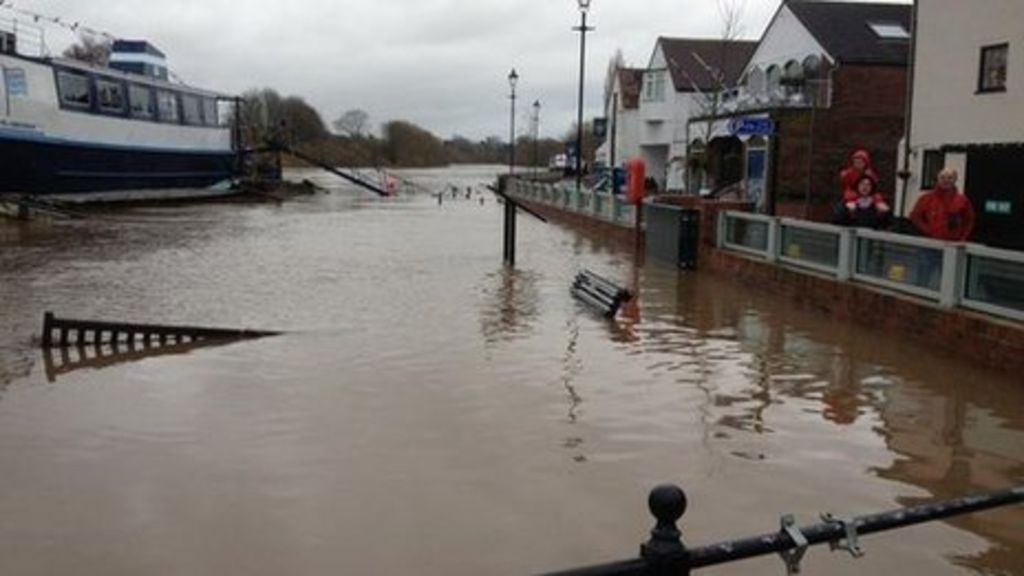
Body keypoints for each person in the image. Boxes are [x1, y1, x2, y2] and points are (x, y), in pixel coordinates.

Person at [909, 168, 975, 241]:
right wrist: (928, 231)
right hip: (929, 242)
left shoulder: (963, 201)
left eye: (950, 178)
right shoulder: (925, 198)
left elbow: (969, 221)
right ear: (938, 179)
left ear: (955, 180)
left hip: (952, 244)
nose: (946, 180)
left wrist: (962, 237)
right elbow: (915, 217)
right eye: (942, 177)